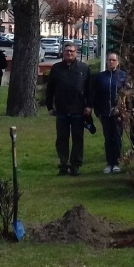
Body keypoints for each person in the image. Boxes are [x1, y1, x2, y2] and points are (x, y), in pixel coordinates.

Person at [45, 41, 92, 176]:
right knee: (61, 139)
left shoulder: (83, 68)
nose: (69, 53)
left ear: (76, 53)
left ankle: (75, 165)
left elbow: (89, 89)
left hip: (78, 109)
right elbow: (50, 89)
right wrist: (49, 106)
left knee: (78, 139)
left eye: (72, 51)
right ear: (63, 53)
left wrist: (89, 105)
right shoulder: (56, 68)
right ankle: (63, 164)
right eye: (67, 51)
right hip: (61, 110)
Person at [93, 52, 128, 174]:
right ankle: (109, 163)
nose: (111, 62)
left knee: (117, 138)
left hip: (118, 114)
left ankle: (116, 162)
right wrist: (98, 112)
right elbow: (96, 95)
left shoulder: (123, 76)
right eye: (109, 60)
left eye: (113, 60)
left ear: (118, 62)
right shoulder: (100, 77)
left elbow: (128, 94)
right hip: (105, 113)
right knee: (108, 139)